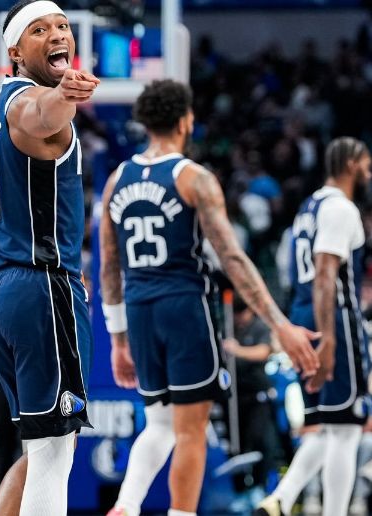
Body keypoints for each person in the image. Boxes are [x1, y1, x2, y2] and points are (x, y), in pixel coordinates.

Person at [98, 79, 319, 516]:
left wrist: (118, 339)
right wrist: (280, 325)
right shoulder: (194, 178)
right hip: (184, 306)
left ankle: (125, 505)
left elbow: (108, 266)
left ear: (146, 123)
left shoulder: (116, 180)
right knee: (190, 431)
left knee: (160, 423)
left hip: (139, 309)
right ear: (185, 121)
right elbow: (232, 258)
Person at [0, 1, 99, 514]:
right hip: (39, 288)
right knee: (54, 451)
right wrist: (64, 96)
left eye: (62, 26)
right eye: (40, 29)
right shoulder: (26, 102)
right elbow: (41, 114)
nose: (57, 34)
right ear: (16, 52)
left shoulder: (2, 103)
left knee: (38, 448)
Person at [255, 137, 371, 516]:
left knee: (324, 426)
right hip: (332, 318)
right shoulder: (341, 208)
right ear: (351, 164)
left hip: (304, 314)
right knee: (347, 430)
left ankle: (281, 498)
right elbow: (325, 274)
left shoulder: (309, 207)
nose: (369, 173)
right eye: (366, 165)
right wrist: (331, 341)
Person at [222, 298, 283, 490]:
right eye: (236, 313)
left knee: (260, 440)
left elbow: (263, 352)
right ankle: (241, 489)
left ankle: (262, 487)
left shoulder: (259, 327)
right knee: (236, 444)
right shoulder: (228, 327)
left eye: (242, 313)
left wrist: (237, 350)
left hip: (257, 396)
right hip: (234, 397)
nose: (239, 318)